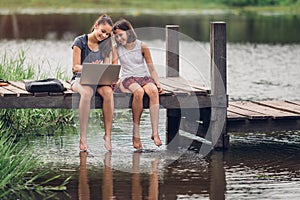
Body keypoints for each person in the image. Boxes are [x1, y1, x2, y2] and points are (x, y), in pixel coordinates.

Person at [112, 19, 163, 149]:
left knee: (153, 91)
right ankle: (136, 134)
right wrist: (119, 84)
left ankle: (155, 133)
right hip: (128, 78)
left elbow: (151, 68)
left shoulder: (142, 46)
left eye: (121, 35)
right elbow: (114, 68)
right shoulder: (116, 48)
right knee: (139, 92)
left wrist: (157, 84)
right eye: (116, 36)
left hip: (143, 77)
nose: (118, 38)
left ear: (128, 32)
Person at [71, 14, 114, 151]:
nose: (104, 36)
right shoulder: (80, 41)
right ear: (96, 26)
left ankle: (108, 135)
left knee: (108, 92)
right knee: (87, 93)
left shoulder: (105, 45)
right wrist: (90, 68)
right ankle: (83, 136)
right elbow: (75, 67)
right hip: (79, 79)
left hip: (99, 80)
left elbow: (107, 66)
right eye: (102, 31)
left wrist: (110, 75)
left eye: (107, 34)